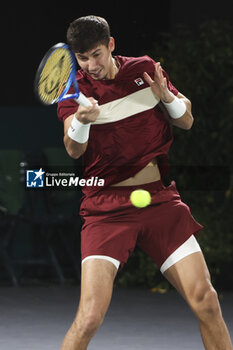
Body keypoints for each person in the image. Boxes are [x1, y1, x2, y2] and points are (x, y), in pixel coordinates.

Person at [57, 15, 233, 350]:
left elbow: (187, 120)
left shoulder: (144, 69)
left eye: (96, 54)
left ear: (110, 45)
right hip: (106, 209)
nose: (91, 65)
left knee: (207, 301)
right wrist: (82, 121)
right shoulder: (74, 91)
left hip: (160, 202)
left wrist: (166, 96)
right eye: (82, 58)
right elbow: (73, 148)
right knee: (90, 316)